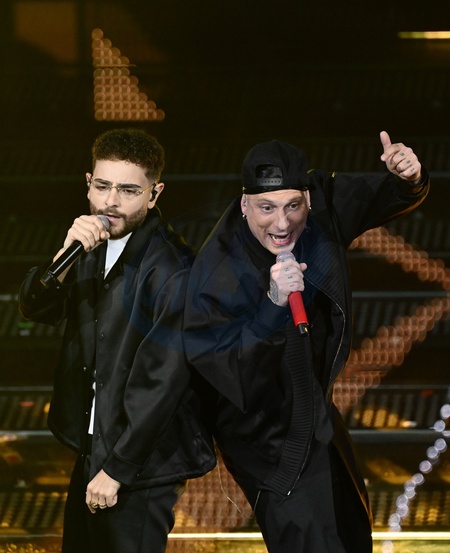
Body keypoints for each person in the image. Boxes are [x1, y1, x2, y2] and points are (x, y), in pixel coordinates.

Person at [183, 131, 430, 553]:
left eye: (293, 206)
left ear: (308, 200)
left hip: (317, 417)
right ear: (244, 205)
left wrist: (408, 179)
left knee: (353, 536)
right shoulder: (217, 273)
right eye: (266, 208)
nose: (282, 224)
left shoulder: (321, 207)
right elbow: (229, 376)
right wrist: (272, 305)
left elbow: (382, 196)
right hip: (265, 439)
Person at [19, 128, 215, 553]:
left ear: (154, 194)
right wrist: (64, 256)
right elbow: (35, 309)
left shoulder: (174, 269)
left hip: (141, 462)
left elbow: (165, 382)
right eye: (103, 186)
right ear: (88, 182)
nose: (110, 201)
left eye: (128, 190)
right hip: (94, 445)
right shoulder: (87, 245)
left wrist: (117, 470)